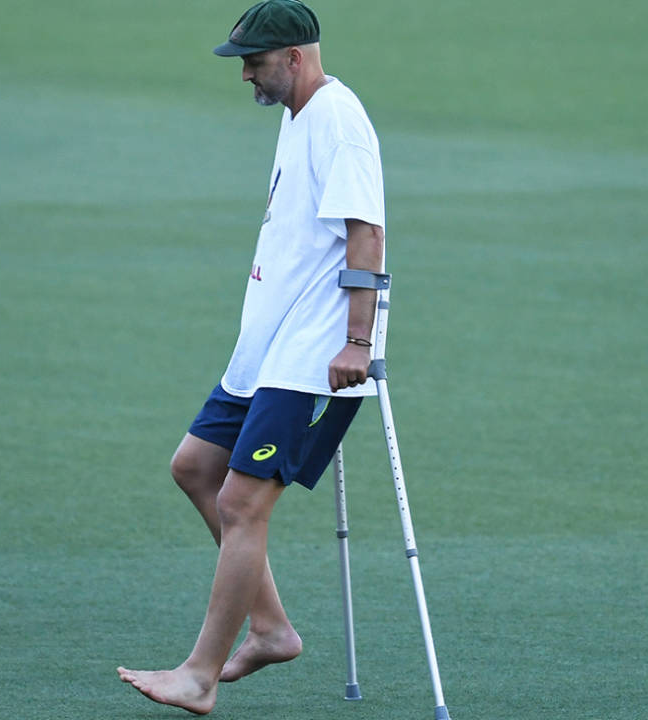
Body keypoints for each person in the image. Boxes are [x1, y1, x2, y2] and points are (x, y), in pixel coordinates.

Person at [117, 0, 386, 712]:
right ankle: (268, 628)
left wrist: (357, 342)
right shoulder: (297, 115)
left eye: (255, 63)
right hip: (267, 346)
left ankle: (200, 675)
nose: (245, 77)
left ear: (294, 57)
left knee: (241, 503)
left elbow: (366, 234)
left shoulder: (337, 119)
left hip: (314, 351)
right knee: (196, 467)